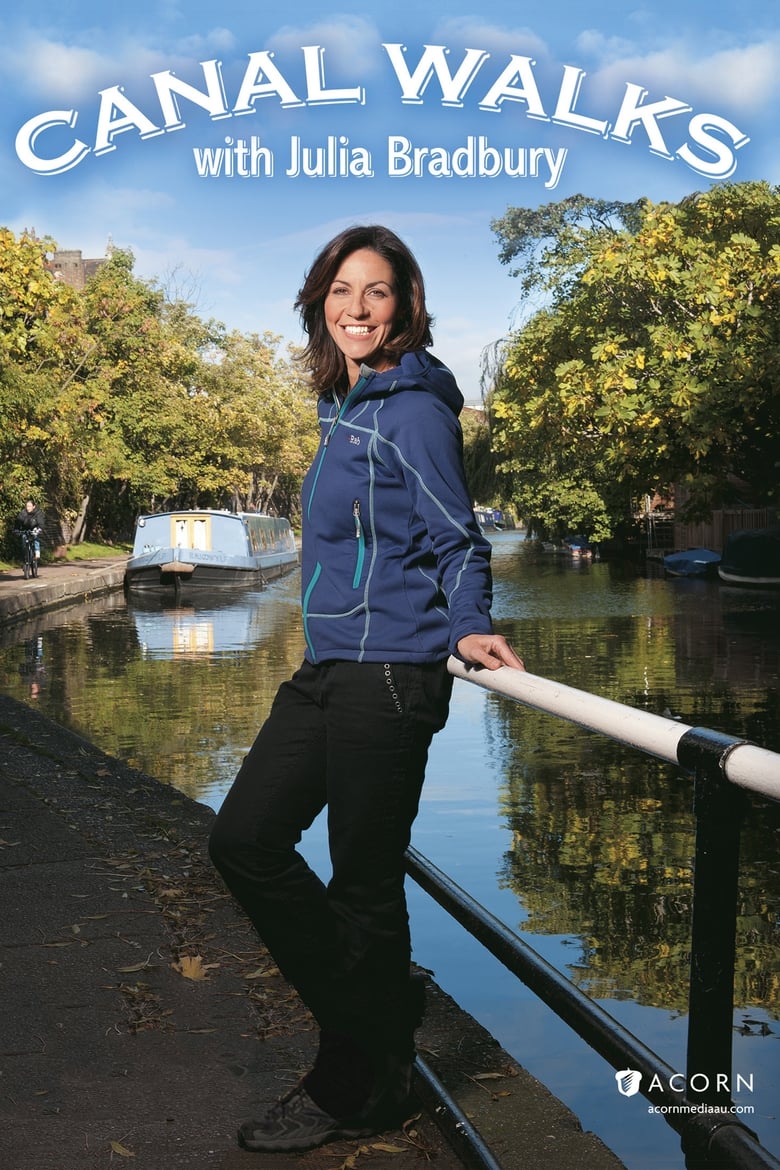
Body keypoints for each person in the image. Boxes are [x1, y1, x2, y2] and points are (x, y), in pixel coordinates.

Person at [208, 225, 524, 1154]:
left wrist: (468, 620)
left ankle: (358, 1083)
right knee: (245, 840)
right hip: (331, 666)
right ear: (320, 302)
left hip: (391, 674)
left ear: (404, 304)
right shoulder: (345, 406)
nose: (356, 307)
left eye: (375, 292)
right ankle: (386, 1011)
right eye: (341, 291)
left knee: (363, 888)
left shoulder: (412, 407)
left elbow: (456, 534)